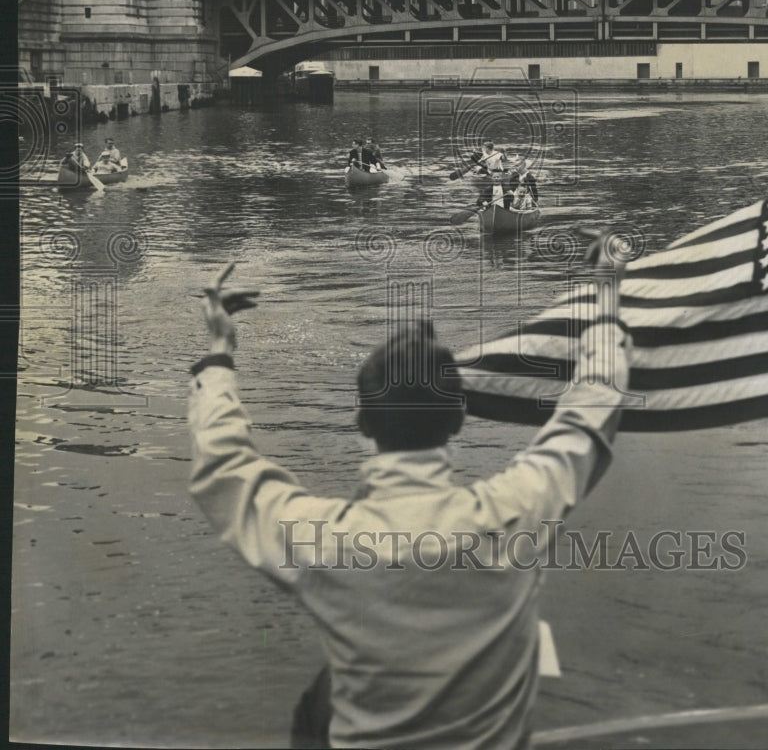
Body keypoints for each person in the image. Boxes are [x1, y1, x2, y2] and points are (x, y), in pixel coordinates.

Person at [187, 255, 630, 750]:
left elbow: (223, 464)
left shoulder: (320, 539)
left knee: (322, 697)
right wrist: (606, 299)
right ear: (459, 419)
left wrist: (220, 349)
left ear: (361, 421)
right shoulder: (515, 512)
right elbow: (591, 407)